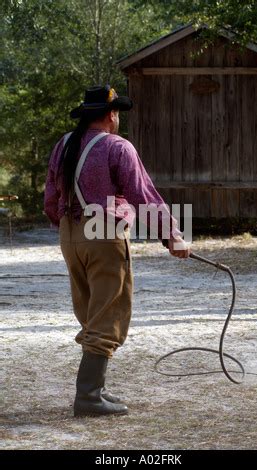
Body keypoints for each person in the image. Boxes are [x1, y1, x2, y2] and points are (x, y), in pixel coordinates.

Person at [44, 85, 191, 417]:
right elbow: (144, 195)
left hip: (70, 234)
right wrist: (173, 236)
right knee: (108, 313)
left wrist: (69, 228)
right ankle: (88, 397)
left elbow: (51, 197)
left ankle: (96, 389)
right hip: (104, 232)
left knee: (90, 310)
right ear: (112, 115)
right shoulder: (117, 147)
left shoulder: (63, 145)